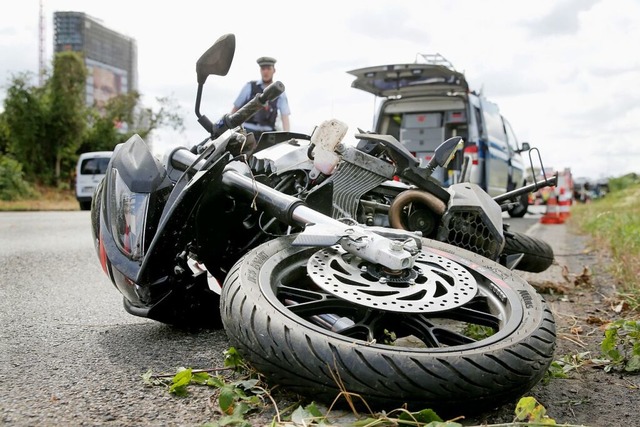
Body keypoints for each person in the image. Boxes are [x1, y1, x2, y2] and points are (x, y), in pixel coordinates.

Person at [231, 56, 290, 142]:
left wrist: (287, 138)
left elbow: (285, 117)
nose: (265, 71)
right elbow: (235, 110)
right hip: (246, 133)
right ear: (260, 70)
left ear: (274, 70)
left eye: (268, 68)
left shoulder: (280, 92)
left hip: (267, 136)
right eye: (263, 68)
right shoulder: (249, 86)